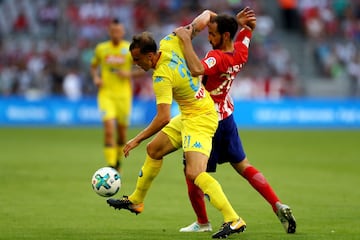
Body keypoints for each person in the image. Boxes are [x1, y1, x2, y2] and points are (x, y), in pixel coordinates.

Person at [106, 10, 247, 239]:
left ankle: (234, 219)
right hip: (189, 114)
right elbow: (202, 19)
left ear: (151, 56)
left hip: (201, 118)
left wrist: (136, 139)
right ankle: (136, 201)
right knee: (154, 150)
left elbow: (162, 118)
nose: (136, 64)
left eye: (138, 60)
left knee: (195, 173)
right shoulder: (169, 41)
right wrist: (214, 17)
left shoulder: (161, 77)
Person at [174, 7, 296, 234]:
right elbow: (247, 31)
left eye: (212, 35)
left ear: (225, 36)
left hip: (206, 120)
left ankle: (203, 222)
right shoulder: (241, 52)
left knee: (193, 172)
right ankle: (276, 203)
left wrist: (185, 41)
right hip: (227, 118)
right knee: (243, 165)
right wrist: (240, 25)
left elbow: (197, 69)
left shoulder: (216, 57)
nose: (209, 39)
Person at [90, 18, 135, 172]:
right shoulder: (101, 49)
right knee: (109, 130)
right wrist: (96, 78)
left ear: (123, 32)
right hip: (106, 94)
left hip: (124, 96)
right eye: (113, 31)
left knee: (122, 135)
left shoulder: (129, 49)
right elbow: (93, 66)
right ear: (109, 32)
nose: (116, 34)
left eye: (119, 31)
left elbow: (144, 69)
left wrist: (128, 73)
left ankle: (117, 162)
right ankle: (111, 166)